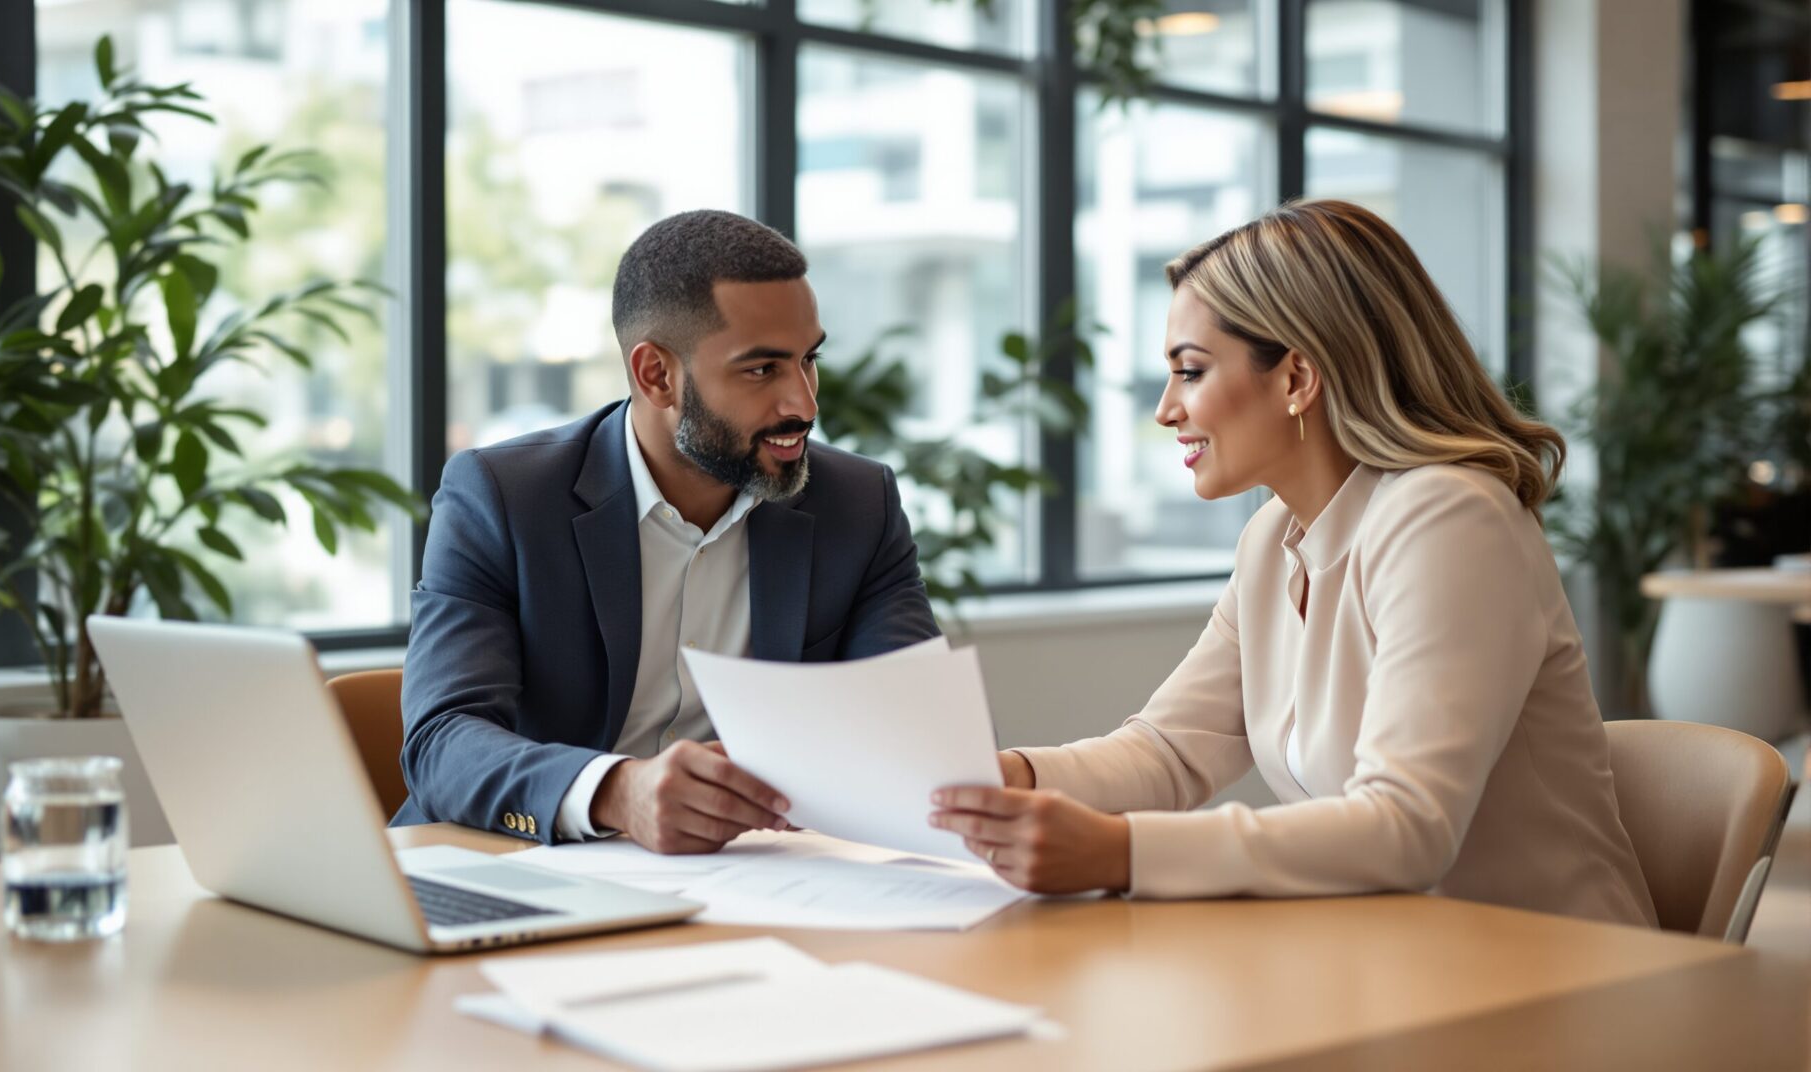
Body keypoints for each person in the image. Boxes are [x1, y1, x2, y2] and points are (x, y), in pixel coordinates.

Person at [932, 199, 1657, 926]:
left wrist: (1121, 851)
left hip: (1550, 970)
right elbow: (1171, 751)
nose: (1165, 410)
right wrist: (1009, 780)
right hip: (1389, 957)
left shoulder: (1450, 517)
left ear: (1296, 377)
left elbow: (1408, 826)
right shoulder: (1273, 540)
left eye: (1190, 372)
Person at [396, 209, 939, 853]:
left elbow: (916, 735)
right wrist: (620, 793)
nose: (804, 403)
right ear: (657, 375)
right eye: (762, 370)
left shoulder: (857, 504)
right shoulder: (503, 499)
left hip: (761, 877)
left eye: (808, 361)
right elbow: (442, 741)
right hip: (521, 867)